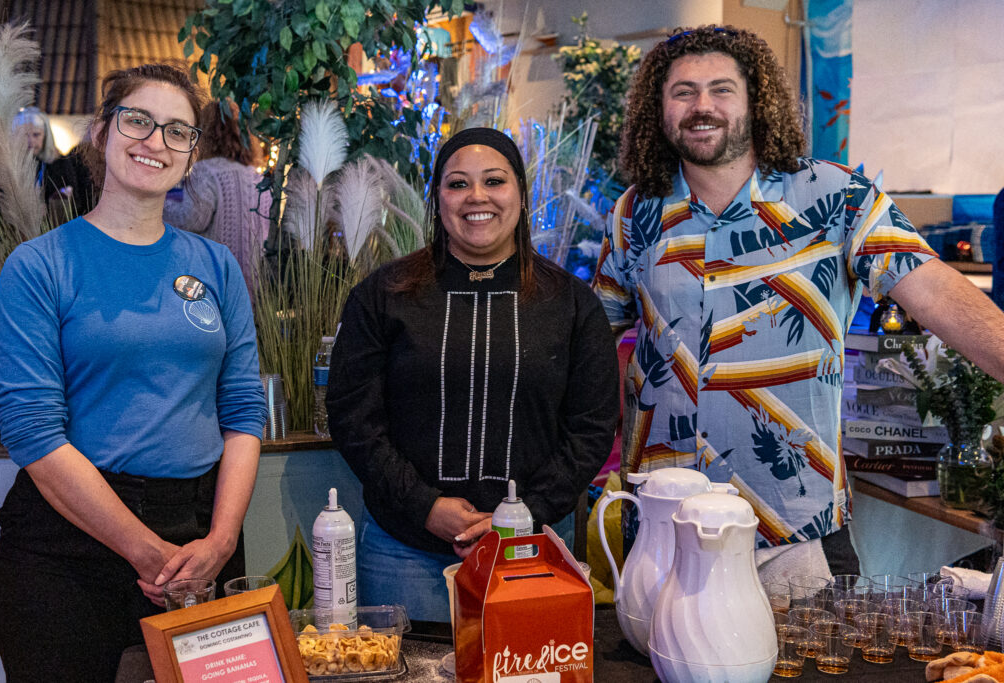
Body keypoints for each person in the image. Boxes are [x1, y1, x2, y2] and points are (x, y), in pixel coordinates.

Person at [593, 25, 1004, 581]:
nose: (702, 105)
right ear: (658, 109)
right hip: (665, 523)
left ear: (756, 100)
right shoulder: (635, 212)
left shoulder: (836, 198)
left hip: (789, 528)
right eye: (683, 91)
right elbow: (590, 341)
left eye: (722, 89)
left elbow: (932, 289)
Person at [0, 63, 267, 682]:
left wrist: (218, 545)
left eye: (177, 131)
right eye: (138, 121)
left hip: (198, 532)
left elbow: (244, 411)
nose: (155, 142)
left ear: (193, 155)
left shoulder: (216, 268)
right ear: (102, 134)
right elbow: (34, 433)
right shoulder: (39, 267)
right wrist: (152, 555)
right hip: (69, 544)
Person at [326, 127, 619, 622]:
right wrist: (423, 505)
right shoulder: (384, 295)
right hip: (405, 551)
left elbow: (591, 428)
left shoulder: (571, 304)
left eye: (495, 181)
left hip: (535, 546)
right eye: (458, 184)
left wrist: (524, 513)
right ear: (437, 199)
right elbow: (354, 418)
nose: (476, 197)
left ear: (522, 197)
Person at [164, 99, 270, 295]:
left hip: (216, 278)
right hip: (254, 281)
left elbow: (191, 219)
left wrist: (161, 200)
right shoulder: (257, 177)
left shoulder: (207, 171)